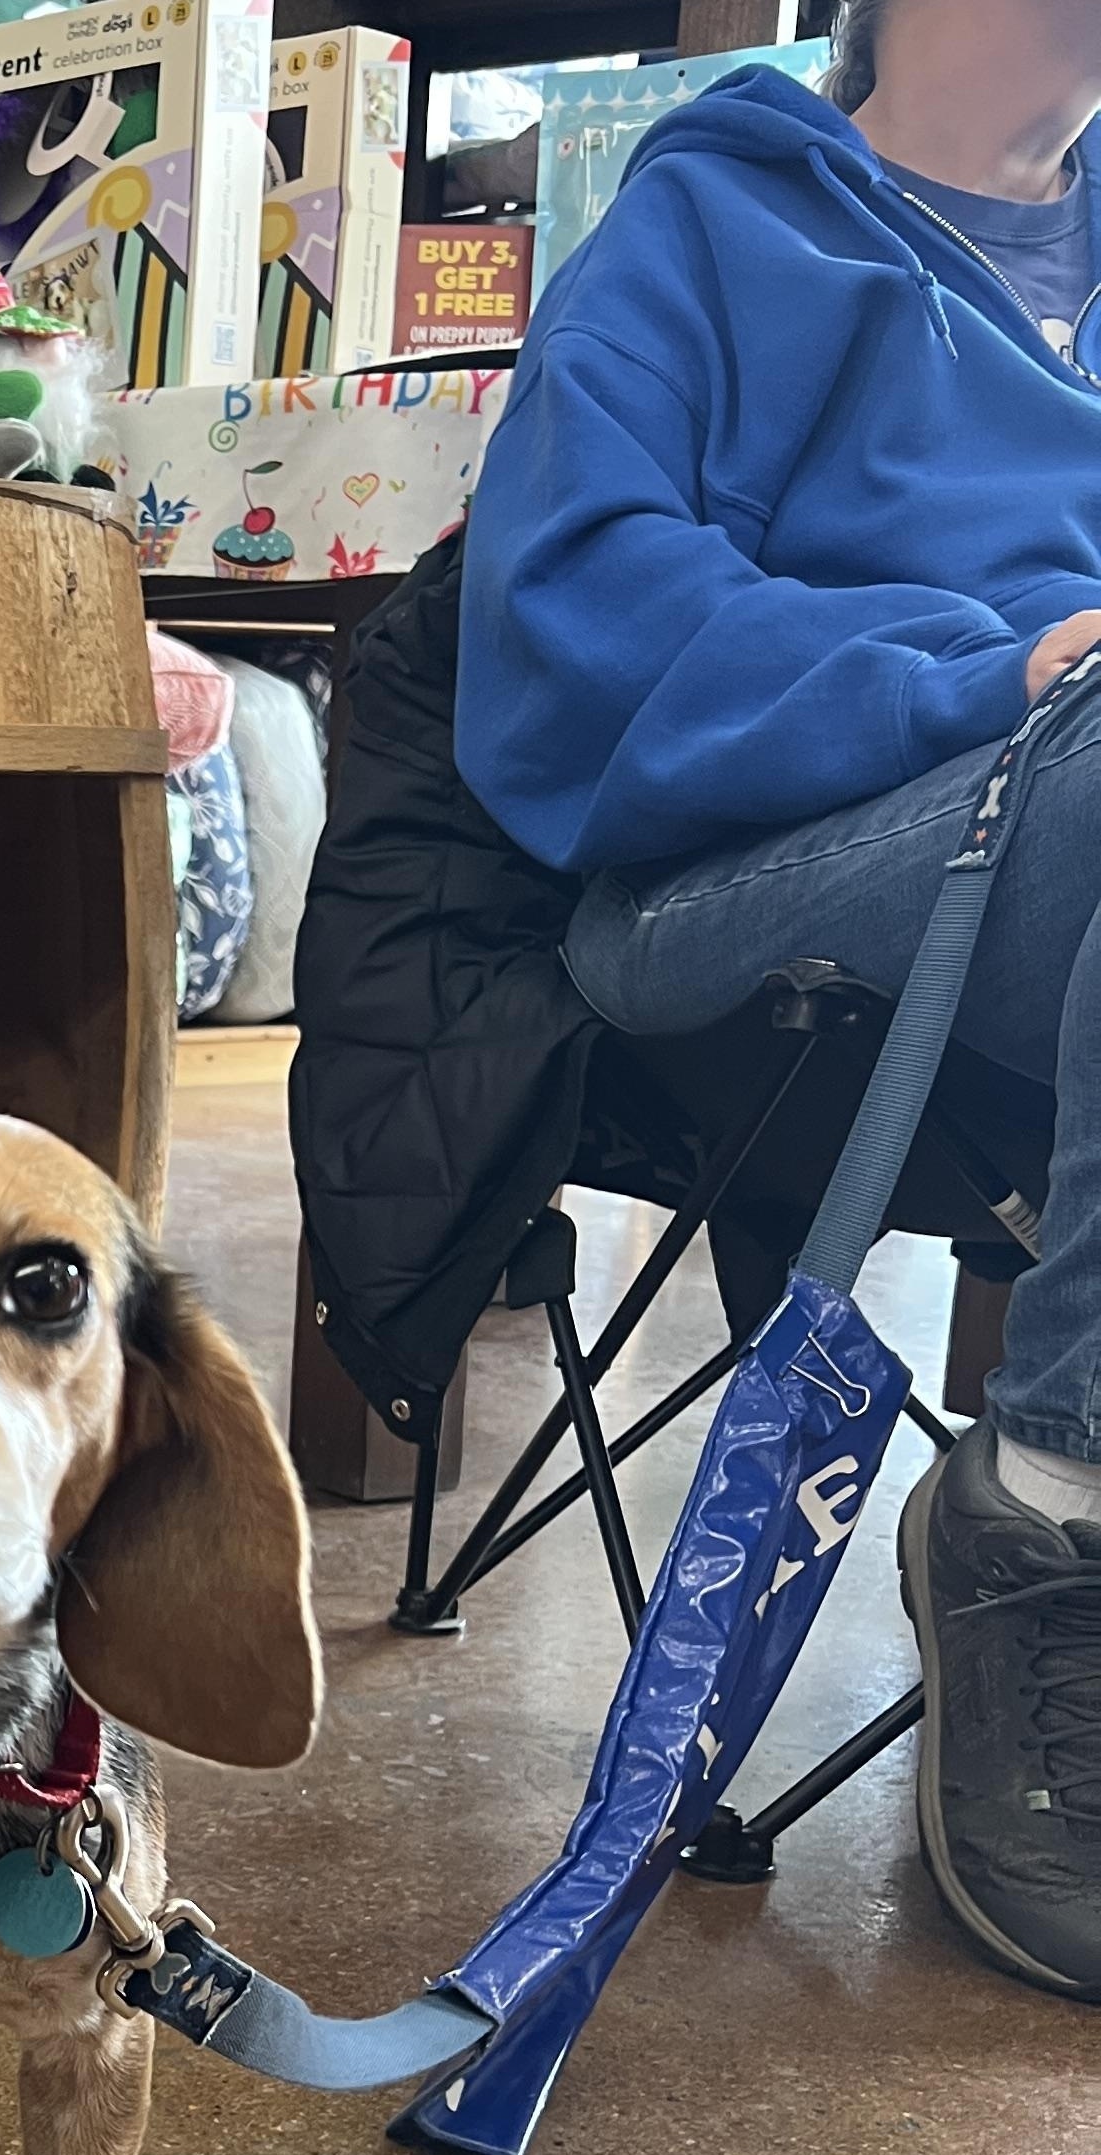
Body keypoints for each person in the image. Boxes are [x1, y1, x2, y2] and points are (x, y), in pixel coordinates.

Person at [458, 0, 1101, 2002]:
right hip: (754, 878)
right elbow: (574, 630)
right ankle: (1052, 1508)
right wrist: (984, 673)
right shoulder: (712, 224)